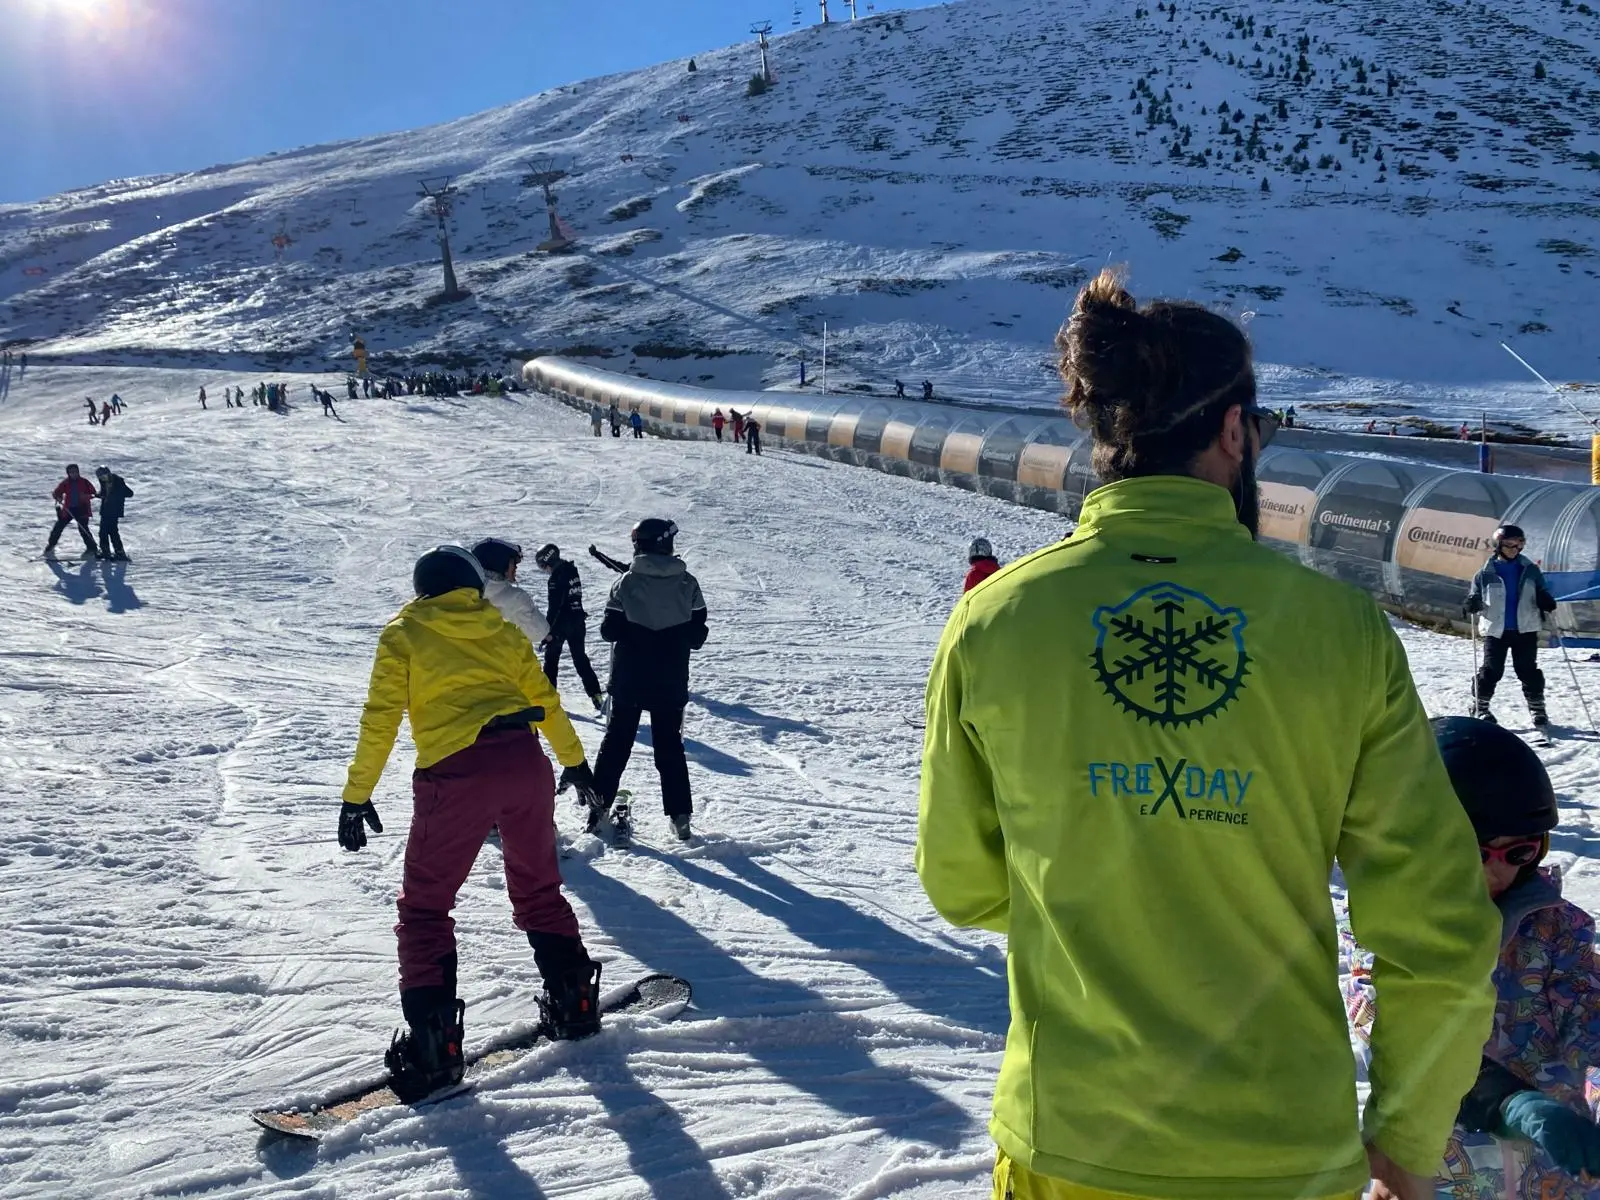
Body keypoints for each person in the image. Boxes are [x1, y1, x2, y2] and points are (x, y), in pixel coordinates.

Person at [917, 267, 1500, 1200]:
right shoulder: (1340, 632)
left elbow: (960, 877)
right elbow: (1438, 932)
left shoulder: (996, 620)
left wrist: (1110, 898)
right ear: (1235, 431)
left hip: (1071, 1144)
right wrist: (1407, 1136)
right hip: (1282, 1155)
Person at [339, 546, 606, 1102]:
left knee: (426, 908)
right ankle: (576, 1002)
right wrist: (576, 762)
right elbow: (546, 700)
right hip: (524, 763)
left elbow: (381, 717)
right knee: (538, 889)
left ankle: (435, 1049)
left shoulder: (405, 632)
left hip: (455, 773)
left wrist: (357, 795)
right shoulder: (500, 628)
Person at [1343, 717, 1600, 1199]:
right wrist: (1509, 1101)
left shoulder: (1557, 930)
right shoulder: (1386, 932)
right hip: (1431, 1176)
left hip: (1553, 1179)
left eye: (1518, 852)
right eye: (1476, 852)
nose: (1498, 870)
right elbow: (1398, 1042)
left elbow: (1589, 1019)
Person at [592, 519, 707, 842]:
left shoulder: (626, 583)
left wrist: (635, 630)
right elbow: (697, 636)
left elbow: (609, 631)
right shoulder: (687, 583)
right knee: (669, 747)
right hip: (670, 681)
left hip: (630, 678)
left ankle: (597, 808)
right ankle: (679, 816)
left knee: (617, 742)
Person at [1465, 524, 1558, 728]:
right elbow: (1474, 596)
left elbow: (1543, 591)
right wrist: (1472, 603)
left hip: (1525, 628)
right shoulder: (1485, 574)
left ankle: (1537, 708)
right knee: (1492, 670)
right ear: (1498, 546)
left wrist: (1545, 600)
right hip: (1495, 630)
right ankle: (1480, 706)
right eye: (1509, 545)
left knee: (1527, 670)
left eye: (1519, 545)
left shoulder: (1530, 570)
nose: (1515, 550)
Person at [533, 544, 605, 711]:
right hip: (578, 622)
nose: (545, 570)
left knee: (551, 661)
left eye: (543, 566)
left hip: (562, 625)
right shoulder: (572, 570)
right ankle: (596, 696)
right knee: (580, 658)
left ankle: (549, 701)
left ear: (547, 561)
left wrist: (549, 632)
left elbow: (555, 607)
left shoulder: (555, 578)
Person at [470, 538, 550, 648]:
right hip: (502, 659)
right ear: (500, 564)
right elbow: (539, 633)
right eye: (513, 562)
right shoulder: (517, 598)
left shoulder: (463, 591)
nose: (516, 567)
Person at [45, 464, 100, 559]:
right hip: (68, 509)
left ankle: (92, 548)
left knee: (83, 529)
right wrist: (58, 497)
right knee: (58, 527)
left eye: (75, 471)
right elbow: (56, 492)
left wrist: (86, 496)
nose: (74, 474)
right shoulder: (66, 483)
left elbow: (94, 493)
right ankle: (51, 545)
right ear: (68, 473)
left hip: (82, 509)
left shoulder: (84, 482)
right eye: (71, 472)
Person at [94, 465, 133, 561]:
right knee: (104, 532)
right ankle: (106, 551)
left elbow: (129, 493)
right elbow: (104, 493)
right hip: (105, 510)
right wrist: (97, 495)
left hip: (113, 511)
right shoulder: (104, 482)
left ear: (109, 473)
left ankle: (119, 552)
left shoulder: (118, 481)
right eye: (101, 477)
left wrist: (116, 496)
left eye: (104, 476)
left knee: (111, 531)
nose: (103, 478)